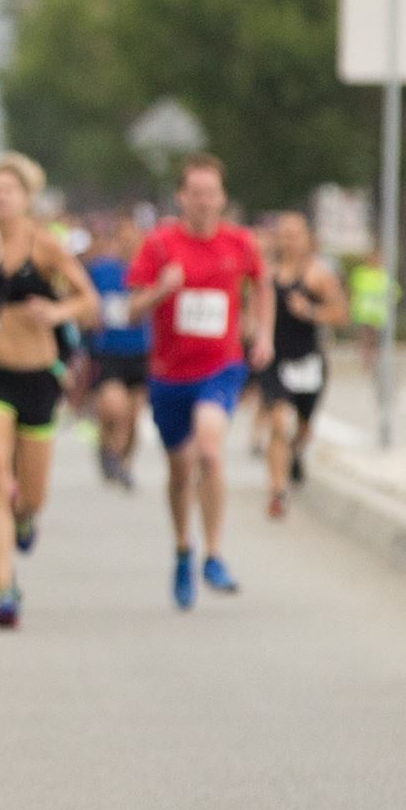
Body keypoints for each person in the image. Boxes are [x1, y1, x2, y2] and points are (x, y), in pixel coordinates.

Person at [125, 154, 272, 610]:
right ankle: (183, 548)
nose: (205, 201)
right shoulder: (160, 245)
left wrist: (262, 333)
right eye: (196, 193)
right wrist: (161, 291)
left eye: (212, 193)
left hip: (220, 367)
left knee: (209, 452)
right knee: (179, 468)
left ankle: (213, 553)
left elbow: (261, 286)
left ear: (222, 197)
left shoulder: (240, 243)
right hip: (169, 374)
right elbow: (130, 310)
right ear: (181, 197)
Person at [0, 154, 100, 631]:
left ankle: (26, 520)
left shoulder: (46, 247)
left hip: (37, 376)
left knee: (31, 496)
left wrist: (58, 313)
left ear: (26, 198)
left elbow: (89, 301)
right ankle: (4, 587)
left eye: (9, 190)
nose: (0, 197)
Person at [262, 211, 347, 518]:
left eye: (294, 234)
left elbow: (340, 315)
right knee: (277, 423)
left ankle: (295, 454)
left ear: (307, 238)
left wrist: (309, 311)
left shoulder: (318, 275)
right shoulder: (266, 274)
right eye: (283, 233)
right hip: (274, 360)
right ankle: (277, 490)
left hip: (309, 360)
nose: (288, 240)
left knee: (303, 428)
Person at [83, 215, 151, 488]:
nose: (128, 245)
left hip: (142, 352)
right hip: (109, 351)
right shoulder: (101, 271)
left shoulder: (151, 272)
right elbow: (84, 300)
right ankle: (107, 448)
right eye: (123, 240)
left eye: (134, 240)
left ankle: (123, 463)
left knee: (133, 419)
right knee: (114, 410)